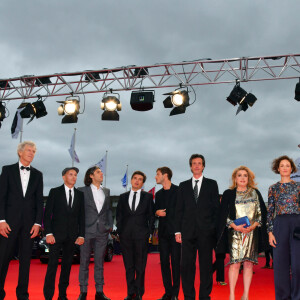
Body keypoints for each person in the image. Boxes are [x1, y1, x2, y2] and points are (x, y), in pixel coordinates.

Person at [0, 141, 43, 300]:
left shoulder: (38, 174)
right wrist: (1, 220)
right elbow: (1, 197)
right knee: (3, 259)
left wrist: (38, 223)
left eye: (34, 151)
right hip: (8, 224)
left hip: (29, 226)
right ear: (20, 152)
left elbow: (39, 201)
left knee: (25, 262)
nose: (31, 153)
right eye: (29, 150)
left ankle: (23, 295)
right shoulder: (7, 170)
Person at [216, 166, 267, 300]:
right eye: (239, 175)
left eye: (245, 175)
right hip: (234, 234)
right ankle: (232, 295)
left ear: (249, 178)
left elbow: (261, 213)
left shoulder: (255, 193)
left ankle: (246, 295)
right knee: (235, 264)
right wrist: (234, 226)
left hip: (251, 234)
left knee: (249, 264)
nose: (242, 178)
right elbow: (222, 214)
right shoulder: (228, 193)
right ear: (235, 178)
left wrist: (253, 226)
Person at [175, 154, 220, 300]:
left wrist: (213, 230)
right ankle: (189, 296)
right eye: (194, 163)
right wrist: (177, 231)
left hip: (206, 233)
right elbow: (178, 210)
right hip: (187, 232)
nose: (196, 166)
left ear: (203, 166)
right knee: (187, 266)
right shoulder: (183, 186)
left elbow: (216, 210)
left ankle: (204, 296)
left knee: (206, 266)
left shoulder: (212, 184)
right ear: (190, 166)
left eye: (199, 163)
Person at [43, 167, 85, 300]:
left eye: (75, 175)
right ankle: (48, 296)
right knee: (52, 266)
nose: (74, 177)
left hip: (72, 237)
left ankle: (62, 295)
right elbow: (47, 214)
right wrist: (48, 233)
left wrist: (81, 235)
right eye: (71, 174)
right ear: (63, 177)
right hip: (55, 236)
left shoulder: (80, 195)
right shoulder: (54, 192)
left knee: (67, 267)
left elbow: (82, 217)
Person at [116, 171, 155, 300]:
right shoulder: (122, 197)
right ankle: (130, 293)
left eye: (140, 179)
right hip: (126, 237)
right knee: (129, 267)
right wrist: (120, 232)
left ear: (143, 183)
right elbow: (119, 216)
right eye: (135, 178)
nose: (137, 181)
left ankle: (139, 293)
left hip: (141, 237)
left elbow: (151, 216)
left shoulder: (148, 197)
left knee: (140, 267)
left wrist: (148, 233)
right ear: (131, 180)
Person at [77, 166, 113, 300]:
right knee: (84, 262)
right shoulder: (81, 191)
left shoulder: (107, 191)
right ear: (91, 176)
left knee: (99, 262)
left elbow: (108, 210)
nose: (101, 174)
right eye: (98, 172)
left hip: (102, 232)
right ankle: (83, 291)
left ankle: (99, 292)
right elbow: (78, 211)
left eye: (101, 172)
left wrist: (109, 226)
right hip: (86, 231)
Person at [267, 155, 300, 300]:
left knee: (298, 265)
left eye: (288, 165)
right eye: (282, 165)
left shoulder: (298, 187)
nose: (285, 168)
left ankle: (297, 296)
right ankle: (283, 297)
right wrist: (270, 232)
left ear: (292, 168)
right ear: (278, 169)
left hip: (297, 224)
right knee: (280, 265)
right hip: (280, 225)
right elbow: (270, 211)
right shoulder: (273, 188)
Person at [155, 167, 180, 300]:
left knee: (176, 263)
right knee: (164, 263)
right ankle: (168, 292)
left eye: (157, 174)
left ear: (165, 175)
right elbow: (155, 210)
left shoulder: (179, 191)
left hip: (176, 233)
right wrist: (156, 212)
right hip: (163, 234)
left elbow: (182, 212)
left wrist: (180, 231)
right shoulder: (158, 194)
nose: (155, 177)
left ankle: (175, 293)